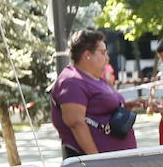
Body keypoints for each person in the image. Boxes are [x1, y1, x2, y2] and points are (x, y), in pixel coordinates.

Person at [50, 29, 141, 159]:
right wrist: (96, 160)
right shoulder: (72, 81)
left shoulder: (94, 77)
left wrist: (125, 107)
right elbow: (77, 123)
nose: (107, 58)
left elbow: (100, 110)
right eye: (103, 53)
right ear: (87, 54)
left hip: (116, 163)